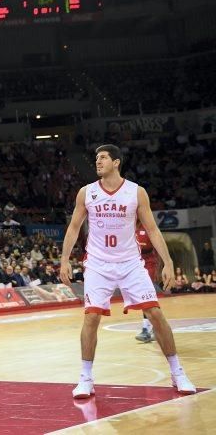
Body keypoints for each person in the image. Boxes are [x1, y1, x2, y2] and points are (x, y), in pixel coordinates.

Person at [60, 144, 196, 399]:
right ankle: (85, 378)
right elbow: (74, 227)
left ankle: (178, 373)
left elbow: (153, 230)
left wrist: (167, 262)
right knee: (91, 318)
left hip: (131, 263)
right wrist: (65, 259)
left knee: (155, 313)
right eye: (96, 158)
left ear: (116, 162)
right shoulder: (86, 193)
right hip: (98, 264)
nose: (97, 162)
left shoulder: (136, 192)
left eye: (103, 158)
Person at [135, 224, 159, 343]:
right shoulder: (130, 227)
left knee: (146, 294)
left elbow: (154, 246)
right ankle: (154, 327)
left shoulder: (148, 228)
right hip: (136, 262)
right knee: (143, 297)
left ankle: (146, 329)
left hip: (148, 262)